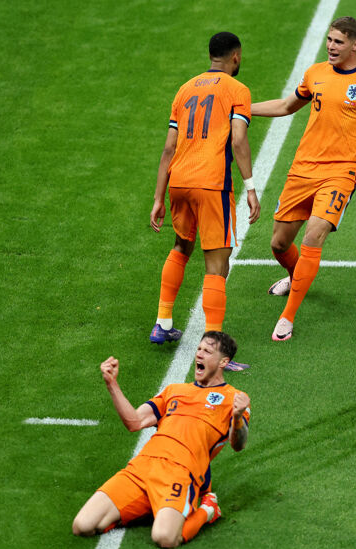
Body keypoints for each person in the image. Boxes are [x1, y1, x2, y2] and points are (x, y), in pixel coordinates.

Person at [250, 16, 356, 341]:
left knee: (314, 235)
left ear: (355, 44)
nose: (331, 46)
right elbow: (285, 105)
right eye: (329, 40)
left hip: (340, 172)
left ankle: (287, 317)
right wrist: (241, 108)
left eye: (338, 41)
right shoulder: (315, 73)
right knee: (279, 244)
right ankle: (297, 277)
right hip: (302, 170)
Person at [72, 331, 251, 547]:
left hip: (180, 473)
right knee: (82, 525)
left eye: (207, 351)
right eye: (199, 349)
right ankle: (152, 506)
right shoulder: (174, 390)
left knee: (165, 538)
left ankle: (207, 510)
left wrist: (238, 416)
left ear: (224, 361)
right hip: (141, 468)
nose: (199, 355)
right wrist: (112, 384)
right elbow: (134, 422)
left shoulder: (234, 399)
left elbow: (238, 445)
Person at [149, 31, 260, 367]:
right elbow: (238, 141)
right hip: (212, 184)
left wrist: (158, 197)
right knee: (217, 263)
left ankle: (163, 323)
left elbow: (169, 147)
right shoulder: (237, 90)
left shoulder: (184, 89)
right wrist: (251, 187)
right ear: (236, 56)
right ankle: (214, 346)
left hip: (179, 180)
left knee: (182, 245)